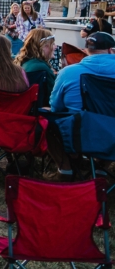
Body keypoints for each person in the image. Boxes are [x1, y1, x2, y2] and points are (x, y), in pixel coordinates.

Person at [47, 32, 115, 178]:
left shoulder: (68, 72)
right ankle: (101, 168)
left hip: (78, 135)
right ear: (111, 50)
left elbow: (55, 107)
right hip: (112, 135)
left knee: (46, 123)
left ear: (86, 51)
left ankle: (65, 168)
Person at [15, 28, 56, 102]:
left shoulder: (23, 63)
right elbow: (54, 98)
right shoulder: (42, 68)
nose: (55, 47)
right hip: (40, 110)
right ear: (44, 46)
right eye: (53, 44)